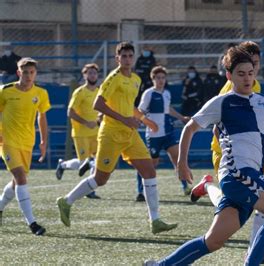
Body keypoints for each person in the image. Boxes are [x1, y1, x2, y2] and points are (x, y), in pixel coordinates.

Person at [144, 44, 264, 266]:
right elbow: (190, 127)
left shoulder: (262, 102)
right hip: (238, 173)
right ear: (229, 75)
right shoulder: (223, 102)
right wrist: (182, 162)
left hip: (249, 176)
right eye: (240, 74)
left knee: (213, 241)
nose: (247, 78)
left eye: (250, 73)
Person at [56, 42, 177, 234]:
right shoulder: (113, 78)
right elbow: (98, 104)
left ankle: (155, 220)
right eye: (124, 56)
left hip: (129, 134)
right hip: (111, 133)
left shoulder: (136, 79)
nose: (127, 59)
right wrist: (125, 119)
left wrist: (143, 120)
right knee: (100, 179)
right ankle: (66, 201)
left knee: (149, 171)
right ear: (117, 58)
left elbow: (129, 106)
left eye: (130, 55)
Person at [190, 41, 264, 264]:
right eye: (250, 65)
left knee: (220, 228)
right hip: (228, 153)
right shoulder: (230, 91)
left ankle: (207, 186)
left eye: (256, 65)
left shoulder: (256, 91)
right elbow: (217, 123)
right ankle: (254, 253)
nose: (252, 71)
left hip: (252, 154)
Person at [0, 57, 50, 235]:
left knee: (16, 183)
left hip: (27, 142)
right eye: (25, 72)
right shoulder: (5, 91)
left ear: (35, 73)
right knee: (21, 178)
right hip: (7, 141)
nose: (29, 75)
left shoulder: (41, 93)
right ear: (18, 73)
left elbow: (42, 117)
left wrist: (44, 141)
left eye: (32, 72)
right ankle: (32, 223)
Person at [134, 66, 191, 202]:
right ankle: (140, 191)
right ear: (153, 79)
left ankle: (185, 187)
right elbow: (139, 112)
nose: (161, 80)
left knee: (177, 159)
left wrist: (181, 117)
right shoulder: (148, 93)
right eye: (158, 78)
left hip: (168, 133)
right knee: (150, 165)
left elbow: (168, 109)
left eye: (163, 78)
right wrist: (148, 124)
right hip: (154, 136)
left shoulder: (166, 93)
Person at [55, 63, 101, 199]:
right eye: (89, 73)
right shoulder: (80, 92)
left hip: (96, 132)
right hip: (81, 133)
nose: (92, 75)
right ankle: (62, 165)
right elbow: (70, 112)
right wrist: (86, 122)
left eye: (94, 73)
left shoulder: (100, 91)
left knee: (96, 161)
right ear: (84, 75)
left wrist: (98, 121)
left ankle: (91, 189)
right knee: (84, 163)